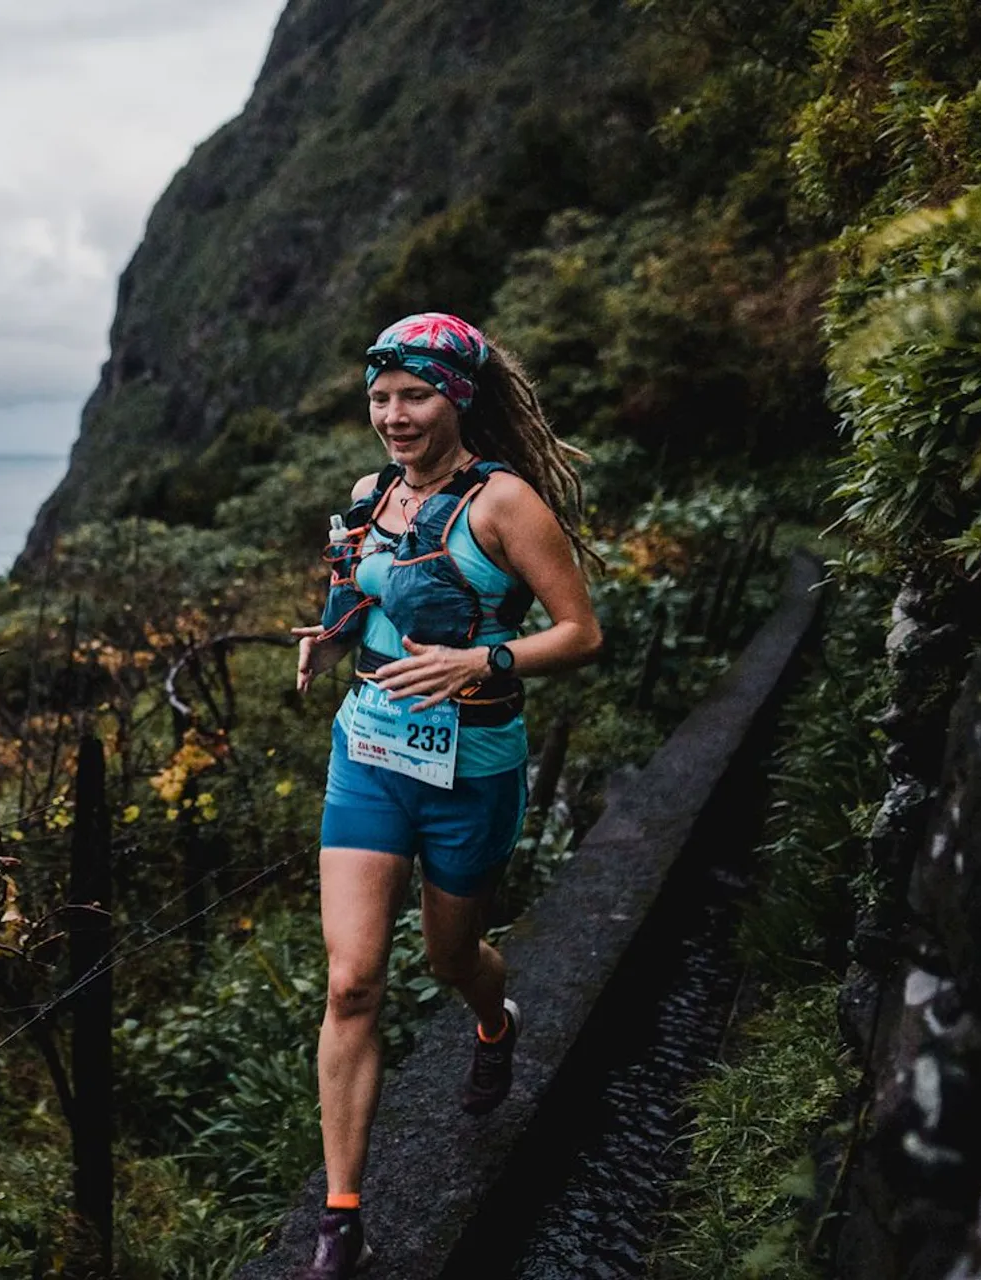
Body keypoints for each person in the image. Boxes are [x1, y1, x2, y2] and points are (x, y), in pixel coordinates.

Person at [289, 312, 602, 1277]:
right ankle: (342, 1218)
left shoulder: (504, 504)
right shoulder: (370, 495)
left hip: (473, 768)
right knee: (353, 980)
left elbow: (581, 632)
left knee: (451, 955)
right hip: (371, 754)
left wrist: (482, 658)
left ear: (456, 398)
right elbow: (370, 590)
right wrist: (331, 635)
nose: (394, 416)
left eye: (415, 396)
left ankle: (494, 1022)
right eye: (381, 398)